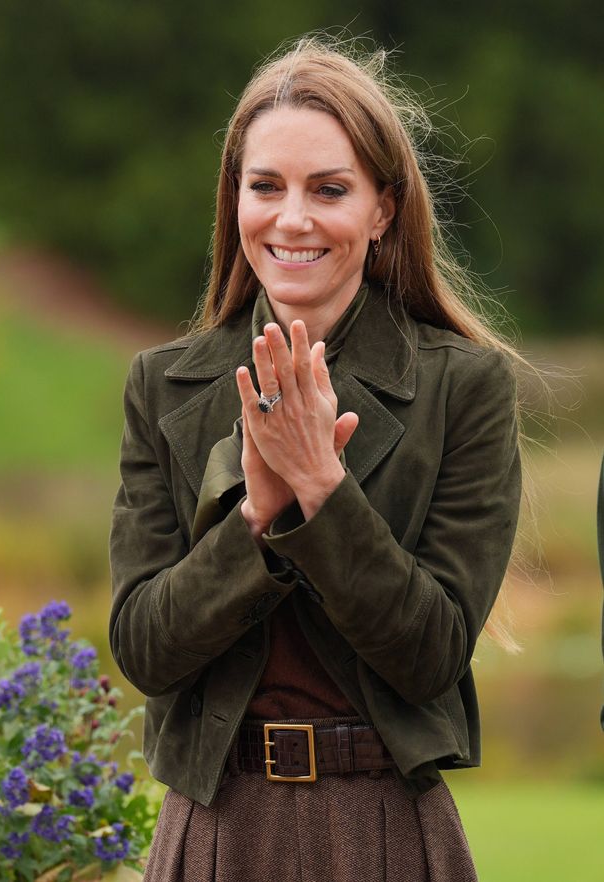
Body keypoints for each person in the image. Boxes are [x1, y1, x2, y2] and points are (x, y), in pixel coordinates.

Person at [109, 37, 523, 882]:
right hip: (213, 827)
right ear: (235, 199)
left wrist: (322, 491)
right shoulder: (160, 385)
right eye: (265, 186)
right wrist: (255, 518)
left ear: (381, 211)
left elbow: (431, 654)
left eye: (328, 190)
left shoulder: (465, 387)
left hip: (384, 825)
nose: (291, 218)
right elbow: (144, 650)